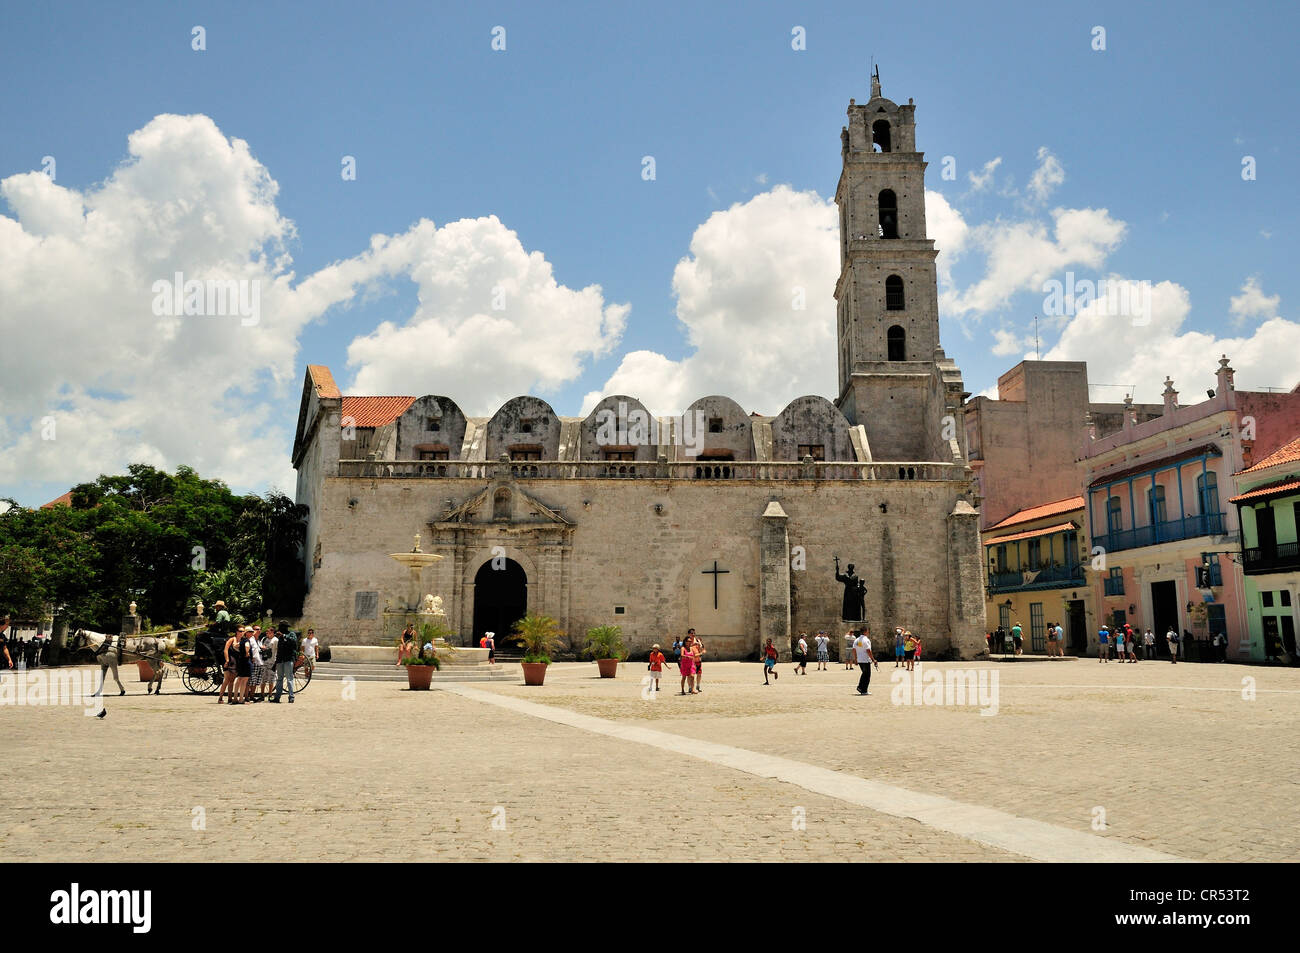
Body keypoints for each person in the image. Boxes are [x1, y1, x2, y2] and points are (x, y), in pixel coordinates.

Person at [91, 631, 126, 697]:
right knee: (102, 675)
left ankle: (121, 688)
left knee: (114, 676)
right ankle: (99, 690)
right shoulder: (100, 653)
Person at [272, 623, 298, 703]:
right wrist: (276, 662)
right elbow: (279, 650)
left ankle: (291, 696)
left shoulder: (291, 634)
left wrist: (283, 636)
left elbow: (294, 643)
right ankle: (277, 697)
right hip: (280, 660)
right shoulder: (279, 637)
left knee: (289, 678)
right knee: (279, 679)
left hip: (288, 659)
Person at [853, 628, 878, 695]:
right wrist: (873, 659)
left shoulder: (857, 640)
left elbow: (854, 650)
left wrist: (855, 659)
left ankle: (861, 688)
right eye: (867, 631)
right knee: (867, 675)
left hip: (860, 660)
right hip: (865, 660)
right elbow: (868, 650)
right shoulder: (866, 640)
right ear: (865, 632)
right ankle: (863, 689)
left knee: (864, 674)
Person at [219, 628, 240, 703]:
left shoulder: (242, 640)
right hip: (228, 661)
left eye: (243, 631)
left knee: (232, 680)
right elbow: (225, 650)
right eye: (240, 631)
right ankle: (220, 697)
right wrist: (227, 660)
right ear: (236, 632)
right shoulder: (231, 639)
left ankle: (230, 698)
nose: (241, 632)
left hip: (236, 662)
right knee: (227, 679)